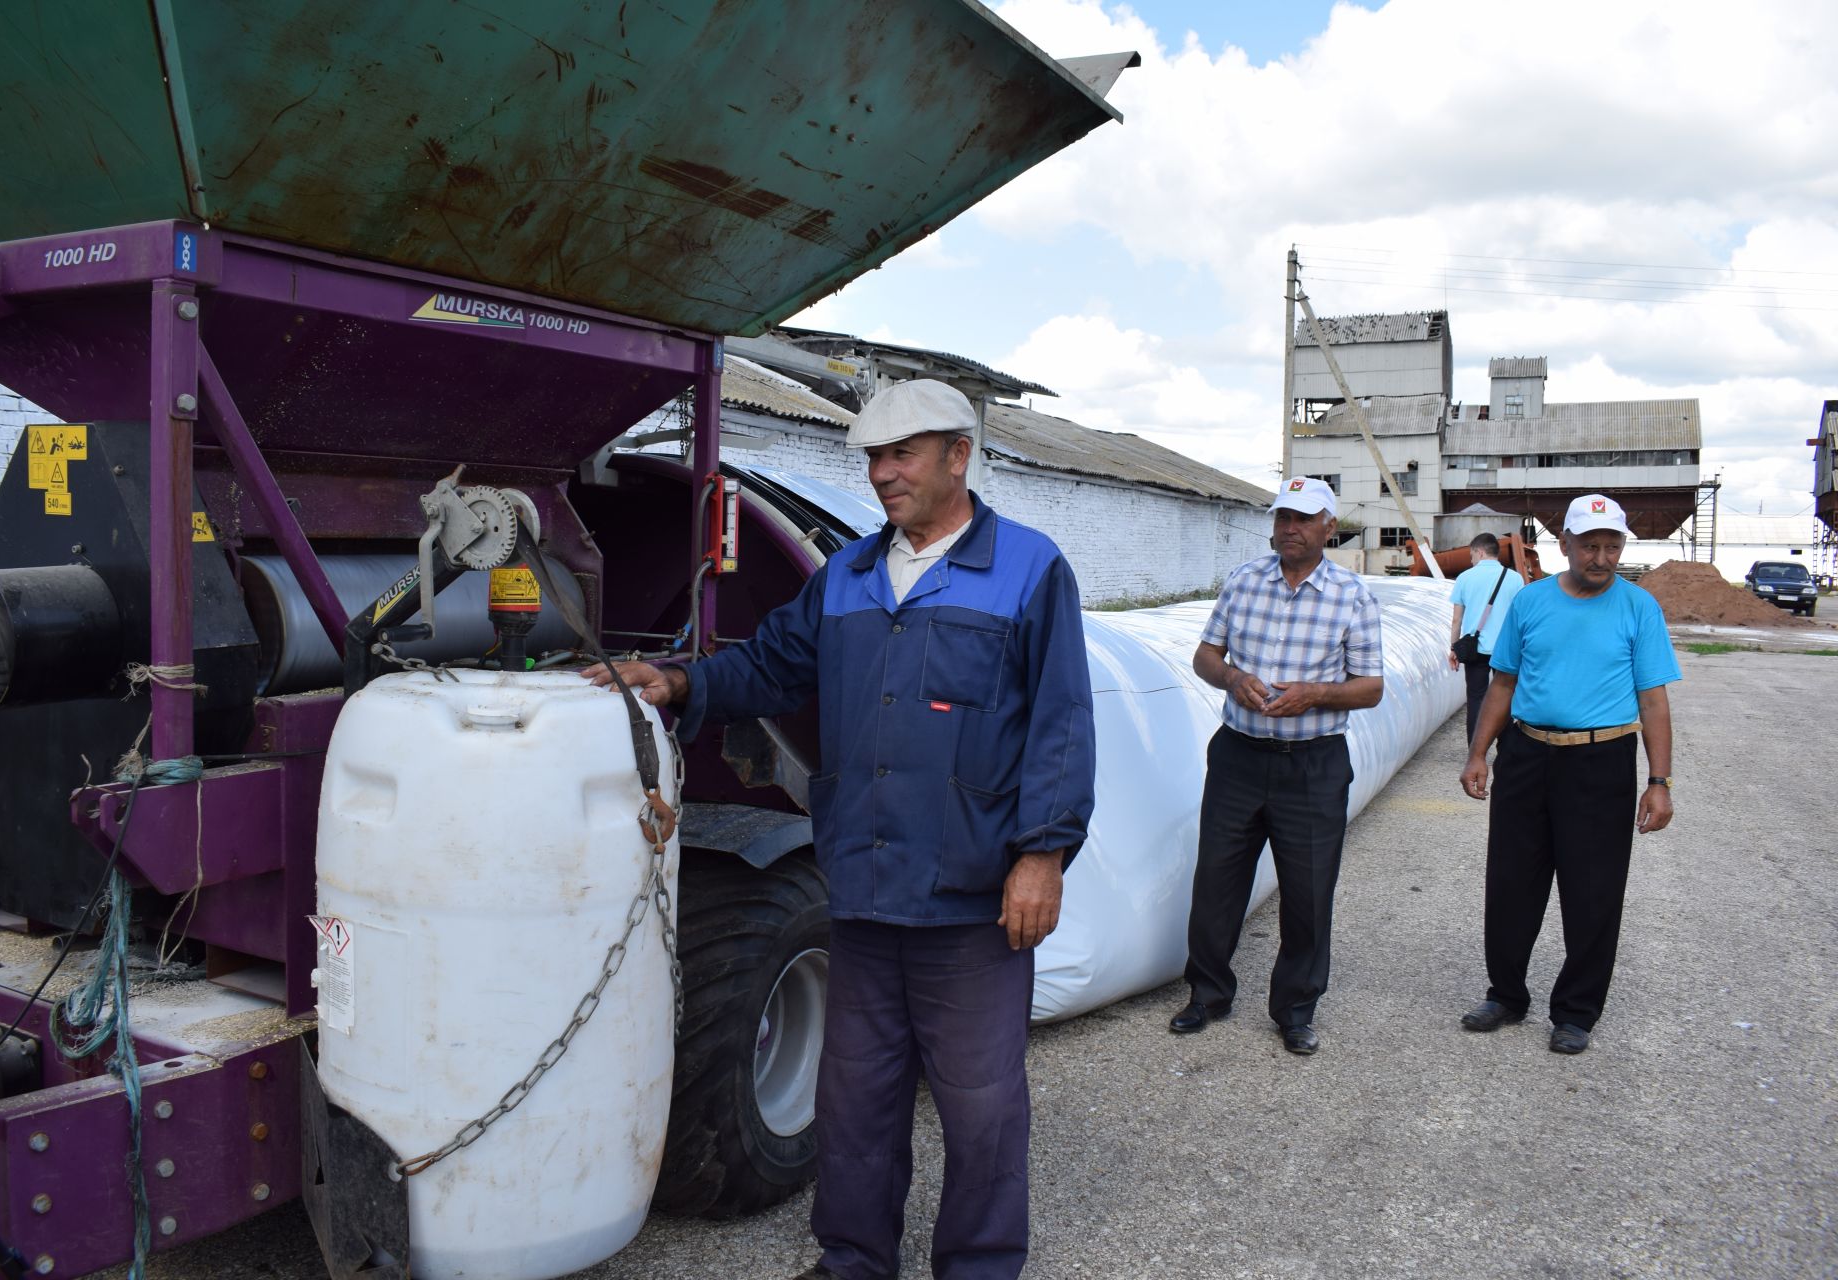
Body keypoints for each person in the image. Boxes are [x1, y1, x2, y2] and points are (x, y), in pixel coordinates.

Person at [585, 378, 1095, 1280]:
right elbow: (776, 667)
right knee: (857, 1096)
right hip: (861, 886)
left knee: (981, 1106)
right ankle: (855, 1258)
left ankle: (978, 1264)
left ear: (957, 456)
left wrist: (1043, 855)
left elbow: (1059, 722)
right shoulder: (851, 575)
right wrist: (680, 682)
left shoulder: (1028, 569)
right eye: (872, 458)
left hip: (969, 896)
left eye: (902, 456)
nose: (882, 474)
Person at [1458, 493, 1678, 1055]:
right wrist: (1479, 752)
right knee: (1511, 882)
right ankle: (1505, 995)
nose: (1601, 558)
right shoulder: (1530, 603)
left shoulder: (1638, 608)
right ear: (1566, 546)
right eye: (1590, 546)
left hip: (1600, 762)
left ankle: (1576, 1011)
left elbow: (1652, 700)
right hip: (1527, 755)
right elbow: (1501, 684)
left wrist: (1659, 781)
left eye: (1612, 546)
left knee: (1594, 891)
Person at [1170, 476, 1383, 1056]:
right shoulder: (1244, 581)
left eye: (1303, 519)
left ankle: (1295, 1008)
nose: (1289, 529)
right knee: (1217, 880)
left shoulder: (1352, 595)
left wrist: (1314, 694)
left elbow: (1370, 688)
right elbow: (1206, 655)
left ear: (1327, 528)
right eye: (1283, 517)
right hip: (1239, 755)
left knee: (1308, 891)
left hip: (1312, 765)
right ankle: (1208, 994)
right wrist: (1232, 677)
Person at [1448, 532, 1524, 746]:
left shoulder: (1465, 577)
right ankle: (1506, 745)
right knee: (1506, 697)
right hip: (1505, 650)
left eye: (1472, 555)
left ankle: (1476, 747)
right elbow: (1520, 617)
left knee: (1476, 699)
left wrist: (1453, 648)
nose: (1471, 560)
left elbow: (1457, 620)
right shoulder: (1514, 578)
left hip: (1475, 650)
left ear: (1479, 552)